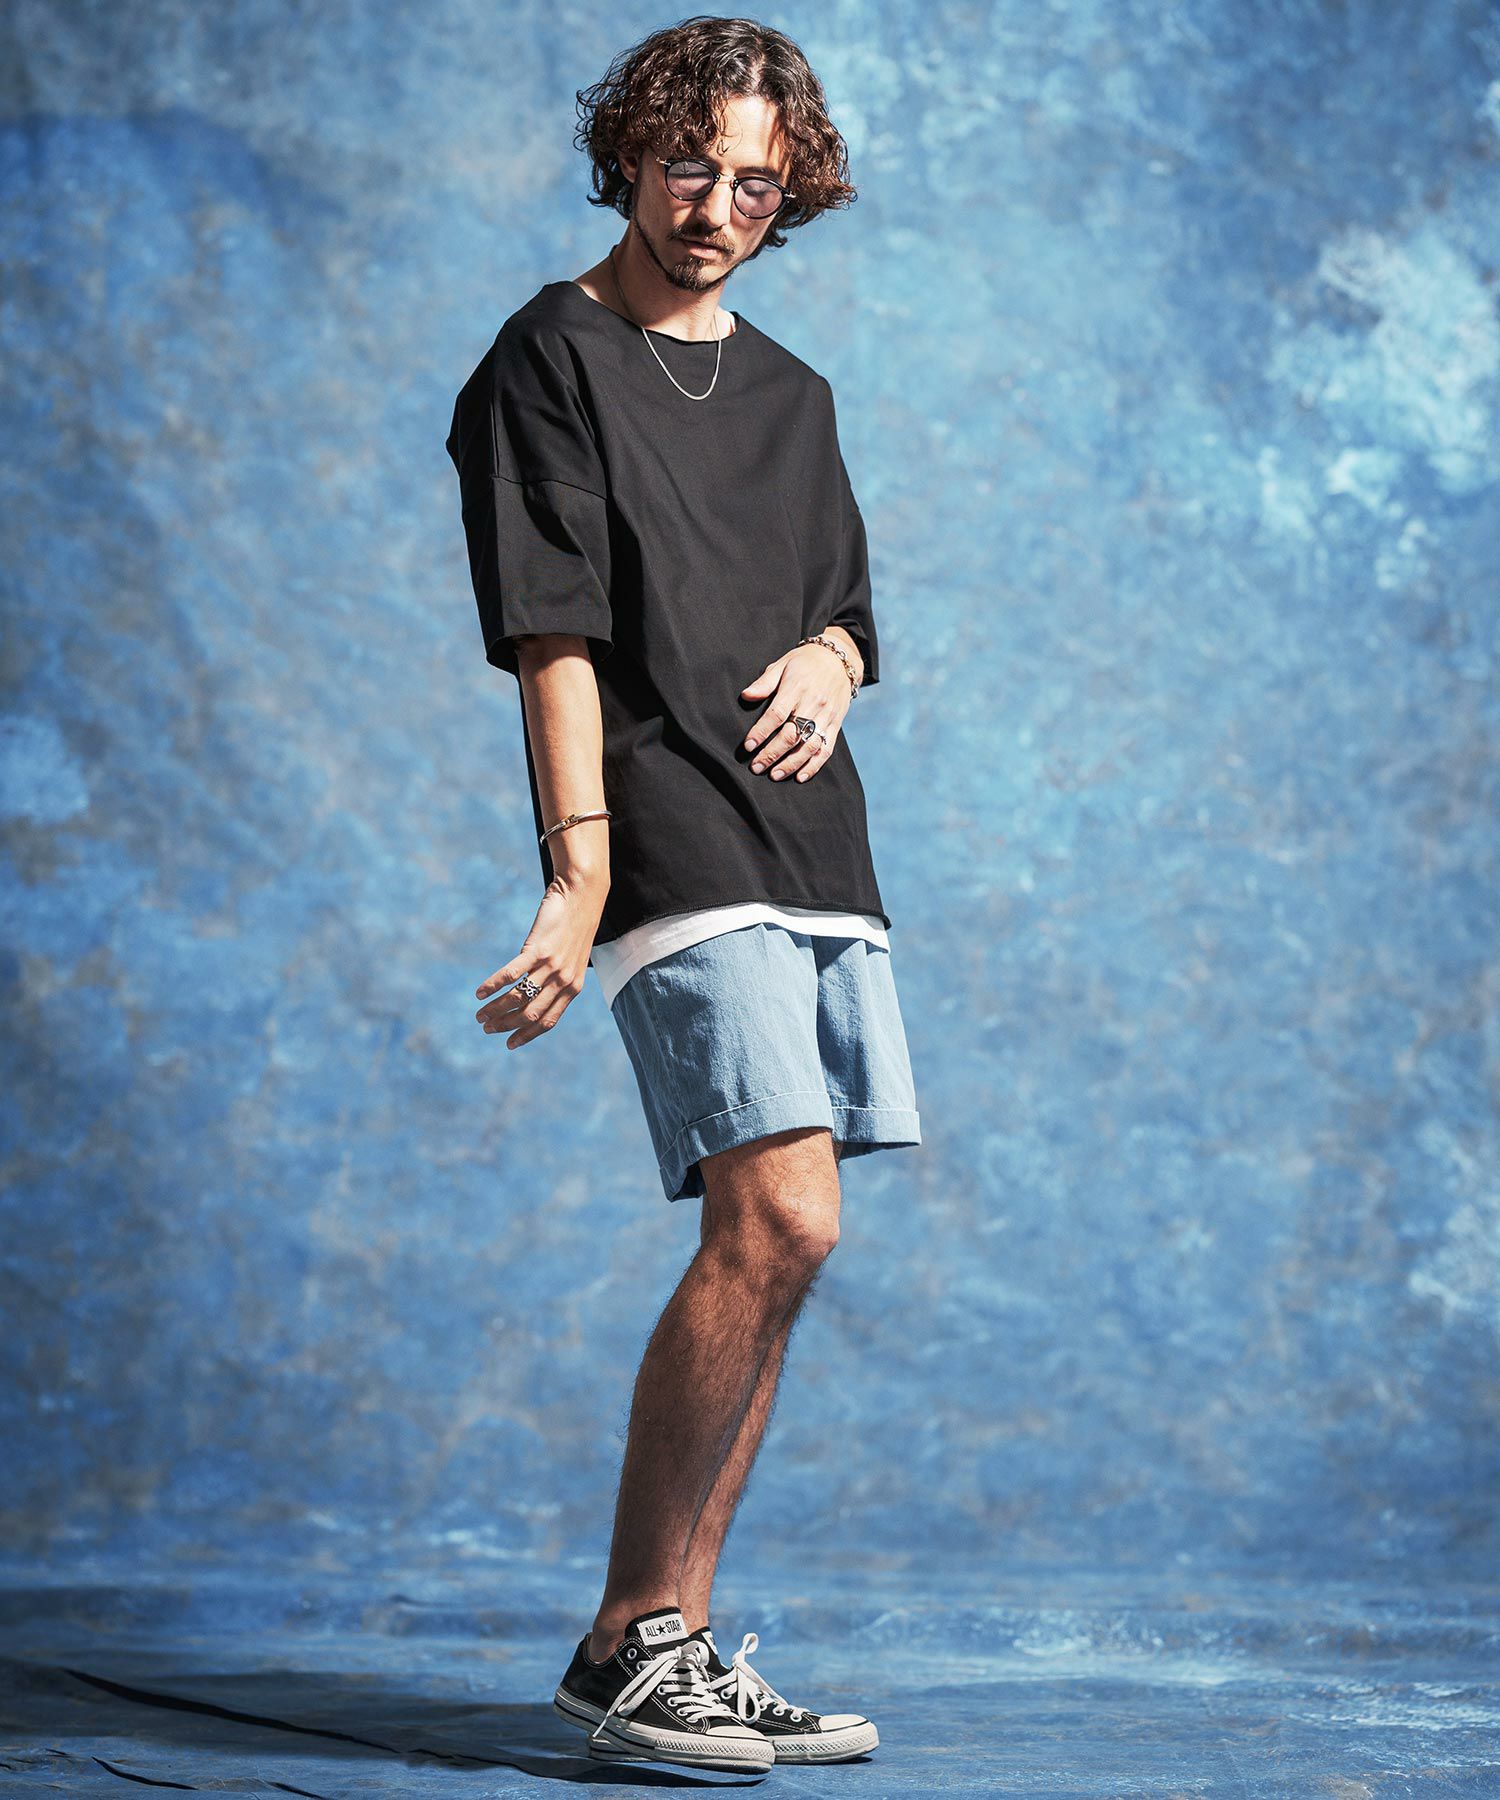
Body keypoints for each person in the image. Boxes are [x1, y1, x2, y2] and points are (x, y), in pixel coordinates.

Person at [444, 16, 921, 1774]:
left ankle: (670, 1644)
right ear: (631, 155)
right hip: (672, 825)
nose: (716, 209)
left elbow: (845, 608)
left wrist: (837, 663)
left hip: (816, 844)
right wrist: (578, 878)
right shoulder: (547, 358)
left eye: (755, 186)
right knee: (776, 1216)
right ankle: (631, 1636)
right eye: (688, 168)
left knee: (789, 1244)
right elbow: (552, 638)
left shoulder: (795, 397)